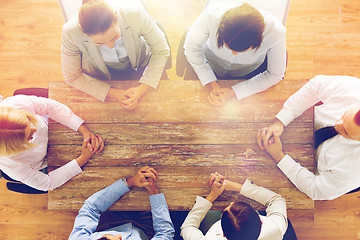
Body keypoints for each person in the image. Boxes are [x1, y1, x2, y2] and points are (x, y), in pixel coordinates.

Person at [257, 75, 360, 200]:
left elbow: (316, 189)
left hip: (327, 175)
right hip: (305, 125)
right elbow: (315, 86)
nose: (337, 124)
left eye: (346, 132)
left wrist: (279, 156)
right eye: (343, 116)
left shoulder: (352, 172)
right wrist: (282, 120)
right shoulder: (353, 88)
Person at [61, 0, 170, 109]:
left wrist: (143, 87)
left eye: (115, 37)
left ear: (116, 15)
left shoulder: (135, 13)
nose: (110, 46)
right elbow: (72, 76)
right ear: (82, 29)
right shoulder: (70, 32)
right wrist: (113, 93)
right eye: (100, 43)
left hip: (141, 65)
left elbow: (161, 50)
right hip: (102, 76)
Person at [183, 1, 286, 106]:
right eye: (228, 47)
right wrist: (211, 82)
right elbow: (192, 47)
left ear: (258, 40)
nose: (233, 53)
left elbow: (275, 74)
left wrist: (234, 91)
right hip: (208, 63)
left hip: (249, 75)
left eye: (243, 51)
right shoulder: (211, 15)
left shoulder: (276, 32)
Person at [0, 94, 104, 191]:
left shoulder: (15, 104)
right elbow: (48, 183)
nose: (34, 129)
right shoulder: (12, 165)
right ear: (16, 148)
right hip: (44, 161)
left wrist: (83, 130)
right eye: (29, 136)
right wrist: (83, 158)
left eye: (29, 121)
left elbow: (51, 107)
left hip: (51, 126)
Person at [69, 166, 175, 240]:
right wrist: (153, 191)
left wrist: (130, 182)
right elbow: (164, 233)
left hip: (109, 220)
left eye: (107, 239)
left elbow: (91, 208)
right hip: (145, 229)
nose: (119, 236)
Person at [181, 172, 288, 240]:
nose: (231, 203)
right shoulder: (275, 229)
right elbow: (276, 200)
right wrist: (232, 185)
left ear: (223, 234)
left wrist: (213, 195)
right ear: (260, 221)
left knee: (210, 216)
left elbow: (187, 228)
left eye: (224, 211)